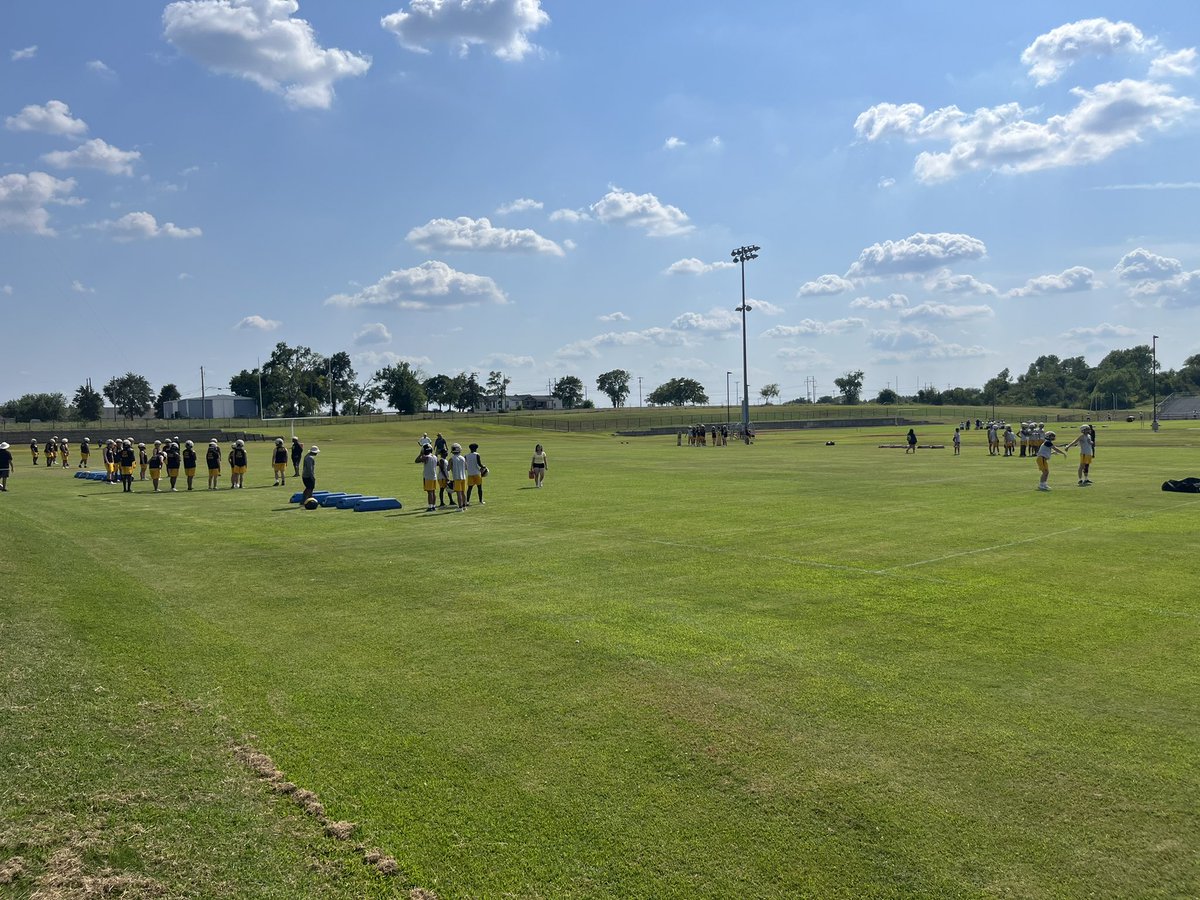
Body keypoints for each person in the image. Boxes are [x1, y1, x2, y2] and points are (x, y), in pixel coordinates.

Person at [416, 443, 437, 511]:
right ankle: (433, 506)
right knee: (433, 492)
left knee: (430, 492)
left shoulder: (426, 457)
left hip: (428, 477)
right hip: (434, 476)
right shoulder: (435, 457)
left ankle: (430, 506)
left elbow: (416, 460)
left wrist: (421, 454)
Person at [449, 442, 468, 510]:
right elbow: (466, 467)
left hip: (457, 477)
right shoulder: (463, 458)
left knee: (458, 493)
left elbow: (448, 468)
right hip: (464, 477)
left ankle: (460, 507)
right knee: (463, 492)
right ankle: (464, 506)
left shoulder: (452, 459)